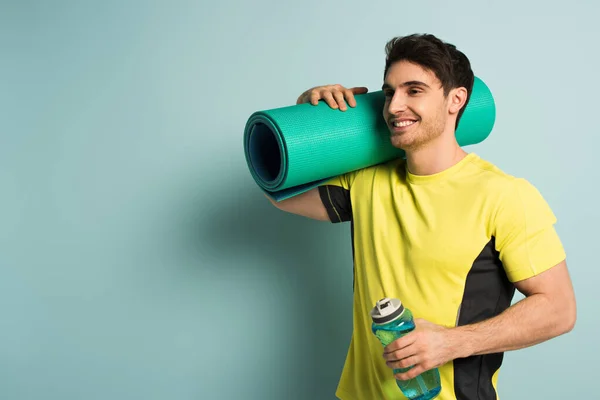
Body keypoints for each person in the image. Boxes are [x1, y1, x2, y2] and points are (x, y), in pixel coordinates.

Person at [266, 33, 577, 400]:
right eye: (389, 92)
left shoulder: (505, 196)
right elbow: (279, 194)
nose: (395, 106)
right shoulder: (365, 180)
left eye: (414, 91)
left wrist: (451, 343)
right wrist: (307, 123)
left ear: (455, 99)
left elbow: (559, 309)